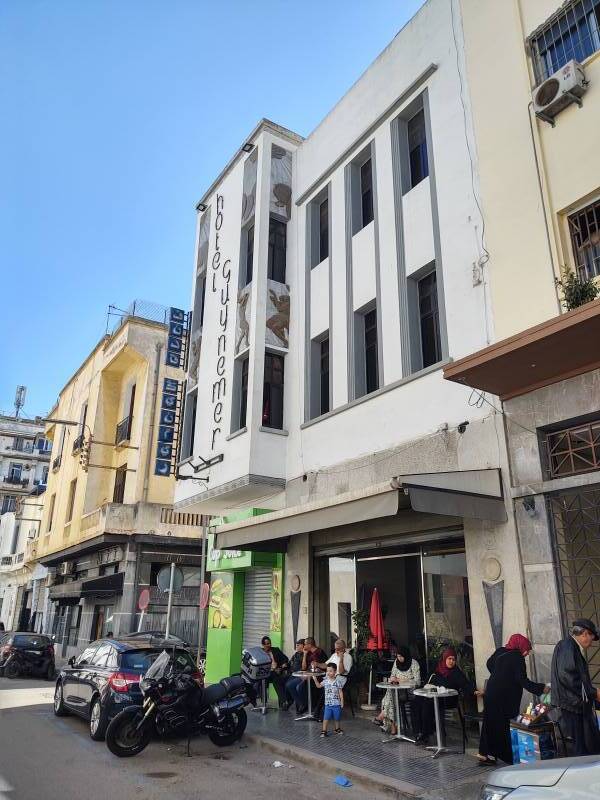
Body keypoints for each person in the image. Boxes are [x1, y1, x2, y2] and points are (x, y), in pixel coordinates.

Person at [478, 634, 546, 766]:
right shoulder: (517, 657)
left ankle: (483, 753)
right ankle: (508, 757)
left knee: (489, 723)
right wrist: (541, 688)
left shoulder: (501, 651)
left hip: (491, 692)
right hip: (503, 696)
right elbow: (523, 681)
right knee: (502, 726)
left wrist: (500, 675)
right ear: (521, 646)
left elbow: (489, 663)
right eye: (526, 649)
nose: (527, 653)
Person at [412, 648, 483, 745]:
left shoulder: (456, 672)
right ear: (444, 658)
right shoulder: (437, 668)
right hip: (433, 696)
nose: (451, 661)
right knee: (416, 702)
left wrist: (474, 691)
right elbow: (427, 681)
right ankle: (419, 731)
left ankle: (425, 734)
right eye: (449, 659)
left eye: (453, 659)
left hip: (448, 699)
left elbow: (465, 683)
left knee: (427, 705)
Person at [551, 618, 600, 756]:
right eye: (591, 637)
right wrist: (593, 692)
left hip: (573, 704)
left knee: (584, 745)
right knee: (579, 747)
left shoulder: (570, 646)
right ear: (584, 634)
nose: (591, 643)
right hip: (571, 705)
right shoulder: (568, 646)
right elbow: (567, 675)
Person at [375, 645, 421, 734]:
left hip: (409, 692)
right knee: (390, 696)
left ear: (406, 655)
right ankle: (393, 727)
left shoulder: (414, 663)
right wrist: (392, 680)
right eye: (398, 656)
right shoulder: (396, 662)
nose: (399, 658)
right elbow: (393, 674)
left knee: (389, 697)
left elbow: (417, 681)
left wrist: (401, 680)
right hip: (397, 690)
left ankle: (385, 718)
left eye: (401, 656)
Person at [284, 637, 326, 713]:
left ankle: (308, 706)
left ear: (310, 645)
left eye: (305, 644)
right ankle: (303, 704)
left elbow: (324, 667)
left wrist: (310, 674)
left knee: (299, 687)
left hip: (316, 676)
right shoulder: (308, 653)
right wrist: (305, 655)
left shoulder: (320, 652)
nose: (304, 646)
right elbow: (304, 668)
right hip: (306, 674)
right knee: (290, 685)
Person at [313, 662, 344, 737]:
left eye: (330, 671)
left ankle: (337, 729)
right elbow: (318, 686)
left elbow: (340, 692)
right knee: (325, 718)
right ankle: (324, 731)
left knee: (337, 718)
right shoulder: (325, 681)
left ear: (335, 672)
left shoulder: (337, 682)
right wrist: (315, 679)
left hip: (337, 704)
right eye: (327, 671)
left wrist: (342, 701)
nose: (328, 672)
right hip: (328, 705)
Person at [261, 635, 289, 708]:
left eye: (269, 643)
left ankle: (284, 702)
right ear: (263, 645)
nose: (268, 645)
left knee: (276, 681)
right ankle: (264, 702)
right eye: (266, 644)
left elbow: (285, 659)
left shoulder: (275, 650)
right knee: (259, 683)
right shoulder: (260, 652)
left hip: (276, 673)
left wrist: (282, 666)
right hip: (264, 674)